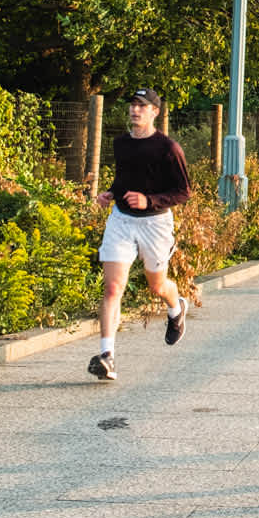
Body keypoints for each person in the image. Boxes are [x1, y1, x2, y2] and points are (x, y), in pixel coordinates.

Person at [90, 89, 191, 381]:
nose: (135, 110)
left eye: (142, 106)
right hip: (121, 220)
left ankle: (176, 307)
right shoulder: (121, 143)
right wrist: (111, 193)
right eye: (133, 105)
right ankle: (107, 356)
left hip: (155, 224)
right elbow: (125, 178)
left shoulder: (168, 148)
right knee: (113, 288)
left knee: (157, 286)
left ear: (154, 112)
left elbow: (183, 191)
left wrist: (150, 200)